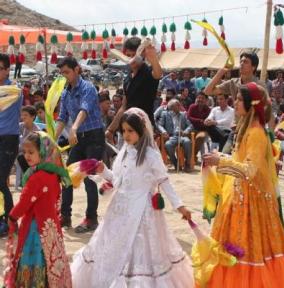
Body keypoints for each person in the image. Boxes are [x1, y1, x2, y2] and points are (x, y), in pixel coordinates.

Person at [71, 108, 194, 287]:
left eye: (131, 131)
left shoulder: (151, 155)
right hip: (118, 210)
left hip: (142, 212)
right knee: (113, 247)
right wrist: (103, 171)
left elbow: (164, 181)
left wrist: (179, 206)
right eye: (124, 131)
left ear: (141, 130)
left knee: (138, 250)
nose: (126, 135)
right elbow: (118, 180)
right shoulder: (124, 152)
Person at [202, 83, 284, 287]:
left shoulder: (257, 134)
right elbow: (241, 161)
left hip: (252, 202)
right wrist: (220, 157)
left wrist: (221, 162)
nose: (235, 102)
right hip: (239, 198)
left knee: (253, 249)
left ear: (252, 105)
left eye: (240, 100)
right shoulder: (246, 129)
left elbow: (249, 171)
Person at [4, 132, 72, 287]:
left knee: (34, 259)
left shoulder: (36, 178)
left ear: (42, 151)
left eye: (31, 152)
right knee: (50, 259)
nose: (27, 156)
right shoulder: (55, 175)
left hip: (35, 229)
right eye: (25, 152)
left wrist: (12, 217)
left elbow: (24, 203)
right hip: (51, 228)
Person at [55, 56, 105, 232]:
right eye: (62, 73)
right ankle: (65, 216)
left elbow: (84, 109)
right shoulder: (65, 92)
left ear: (77, 69)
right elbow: (62, 117)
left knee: (89, 179)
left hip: (93, 137)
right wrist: (52, 138)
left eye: (67, 72)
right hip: (77, 139)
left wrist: (74, 129)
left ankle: (91, 218)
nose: (65, 76)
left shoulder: (88, 88)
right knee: (67, 177)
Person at [205, 51, 269, 152]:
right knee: (224, 159)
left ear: (253, 67)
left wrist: (271, 135)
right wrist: (221, 72)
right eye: (241, 61)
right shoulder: (233, 82)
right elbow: (207, 91)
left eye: (246, 62)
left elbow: (267, 110)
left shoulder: (259, 85)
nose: (242, 64)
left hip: (254, 132)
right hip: (236, 131)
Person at [105, 36, 162, 143]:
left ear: (141, 54)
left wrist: (153, 58)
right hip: (128, 127)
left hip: (144, 128)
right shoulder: (127, 78)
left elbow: (158, 74)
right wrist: (110, 130)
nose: (131, 59)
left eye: (134, 55)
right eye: (128, 55)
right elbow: (124, 107)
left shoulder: (148, 72)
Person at [0, 53, 23, 237]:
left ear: (8, 70)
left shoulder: (14, 89)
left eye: (0, 68)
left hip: (8, 138)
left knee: (0, 181)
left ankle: (11, 219)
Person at [158, 99, 194, 171]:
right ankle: (175, 162)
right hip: (171, 136)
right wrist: (164, 132)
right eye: (177, 105)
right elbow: (159, 125)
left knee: (187, 142)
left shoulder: (183, 114)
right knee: (168, 145)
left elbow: (190, 126)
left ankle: (187, 164)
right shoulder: (165, 114)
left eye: (178, 105)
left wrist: (185, 132)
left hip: (182, 136)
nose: (179, 106)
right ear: (171, 107)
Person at [187, 92, 211, 157]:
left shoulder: (208, 110)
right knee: (185, 138)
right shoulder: (192, 107)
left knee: (200, 138)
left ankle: (192, 155)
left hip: (203, 130)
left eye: (202, 98)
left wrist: (198, 121)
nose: (200, 99)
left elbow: (206, 122)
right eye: (198, 98)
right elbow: (189, 117)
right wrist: (200, 120)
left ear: (206, 100)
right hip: (192, 128)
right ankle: (186, 156)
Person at [17, 105, 40, 172]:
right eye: (22, 115)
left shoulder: (37, 130)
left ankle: (29, 177)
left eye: (25, 115)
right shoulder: (21, 126)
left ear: (33, 117)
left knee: (21, 157)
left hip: (33, 154)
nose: (23, 117)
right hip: (22, 152)